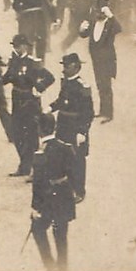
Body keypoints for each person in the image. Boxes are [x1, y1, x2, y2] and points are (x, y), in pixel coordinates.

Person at [1, 35, 55, 179]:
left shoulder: (33, 62)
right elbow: (8, 77)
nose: (16, 48)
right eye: (15, 46)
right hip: (16, 100)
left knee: (31, 136)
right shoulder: (13, 61)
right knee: (17, 134)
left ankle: (35, 170)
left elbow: (50, 77)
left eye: (18, 46)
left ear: (25, 46)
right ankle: (24, 165)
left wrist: (39, 87)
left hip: (30, 102)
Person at [30, 112, 77, 271]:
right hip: (64, 196)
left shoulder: (40, 154)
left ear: (39, 130)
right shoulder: (66, 147)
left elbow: (37, 183)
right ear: (55, 127)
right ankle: (63, 269)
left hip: (48, 199)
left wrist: (35, 207)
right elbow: (74, 172)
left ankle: (50, 266)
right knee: (61, 234)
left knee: (37, 228)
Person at [49, 52, 94, 202]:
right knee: (62, 156)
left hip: (75, 128)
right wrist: (50, 108)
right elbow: (62, 101)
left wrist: (82, 131)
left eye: (67, 67)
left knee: (77, 160)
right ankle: (66, 189)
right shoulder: (66, 82)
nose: (64, 70)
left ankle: (79, 191)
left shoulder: (83, 87)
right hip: (62, 125)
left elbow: (88, 112)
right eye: (63, 66)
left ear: (76, 67)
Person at [79, 0, 121, 122]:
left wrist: (112, 16)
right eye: (97, 12)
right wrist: (81, 29)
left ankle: (108, 113)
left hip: (107, 59)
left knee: (106, 85)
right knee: (100, 84)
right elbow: (84, 34)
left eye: (101, 12)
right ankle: (103, 110)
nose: (98, 14)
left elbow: (119, 29)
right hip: (96, 58)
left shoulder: (110, 24)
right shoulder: (93, 21)